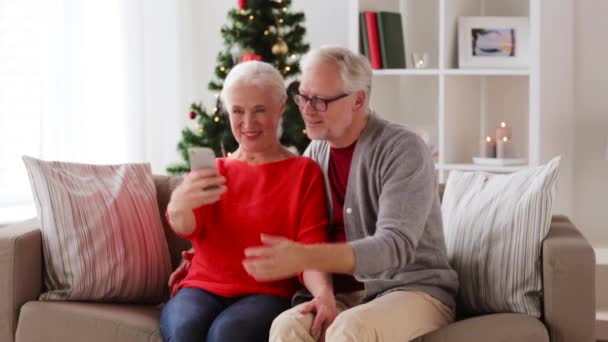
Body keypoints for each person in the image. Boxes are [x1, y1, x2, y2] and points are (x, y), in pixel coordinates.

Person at [241, 46, 459, 341]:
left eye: (320, 101)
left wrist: (305, 255)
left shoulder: (402, 149)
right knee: (286, 326)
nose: (307, 109)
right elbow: (300, 231)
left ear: (358, 100)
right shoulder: (315, 153)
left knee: (349, 329)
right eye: (303, 96)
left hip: (414, 291)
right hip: (344, 296)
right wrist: (324, 294)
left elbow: (395, 246)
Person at [159, 61, 336, 342]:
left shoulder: (303, 172)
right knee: (184, 330)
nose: (248, 123)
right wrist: (179, 203)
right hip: (201, 288)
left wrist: (324, 294)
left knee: (226, 334)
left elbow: (310, 247)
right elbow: (186, 227)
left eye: (260, 110)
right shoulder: (214, 170)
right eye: (238, 111)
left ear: (280, 107)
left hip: (267, 294)